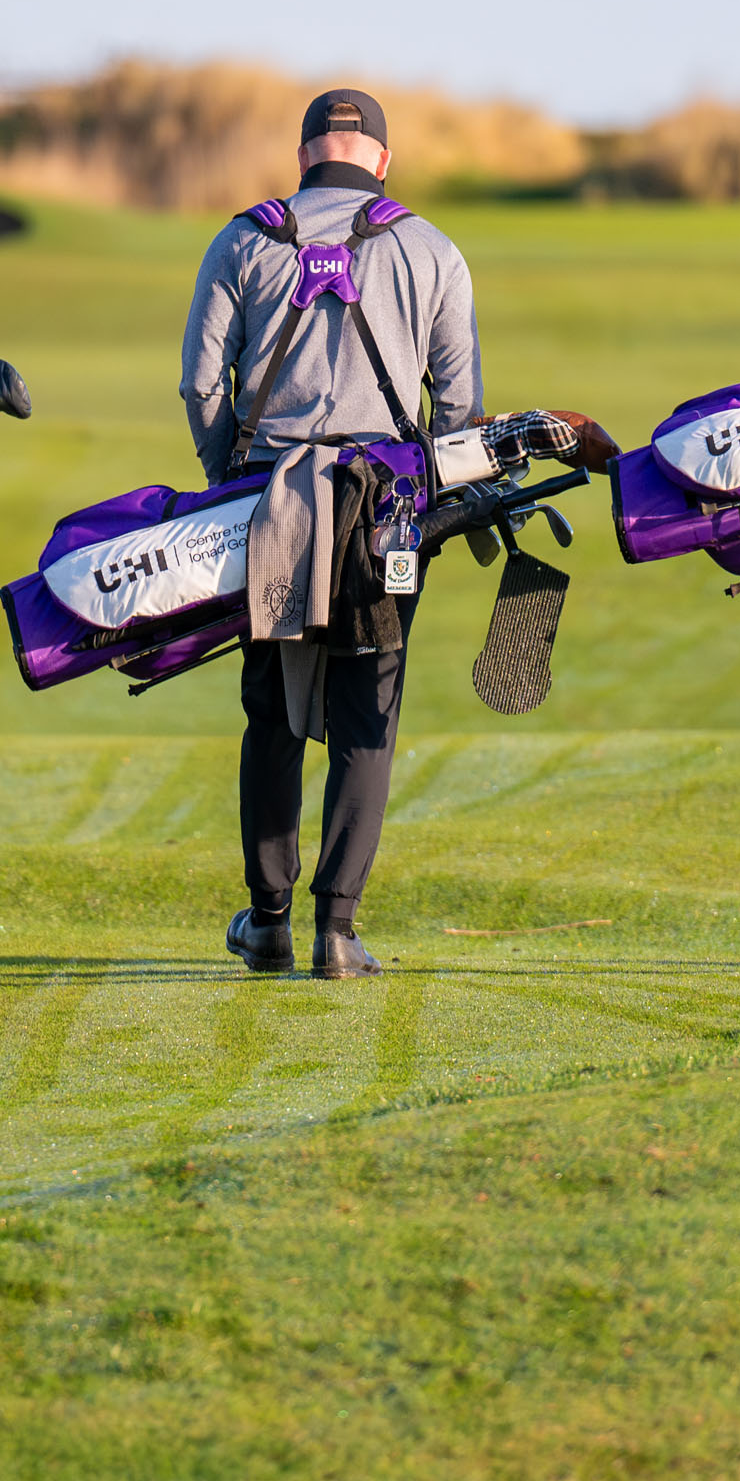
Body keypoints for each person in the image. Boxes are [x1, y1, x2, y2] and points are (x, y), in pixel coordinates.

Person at [181, 88, 481, 980]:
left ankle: (268, 918)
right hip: (385, 507)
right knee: (365, 712)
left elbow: (202, 388)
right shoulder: (431, 248)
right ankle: (337, 931)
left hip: (271, 500)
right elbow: (459, 407)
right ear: (381, 160)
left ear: (306, 153)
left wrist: (226, 482)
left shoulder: (243, 239)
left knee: (272, 708)